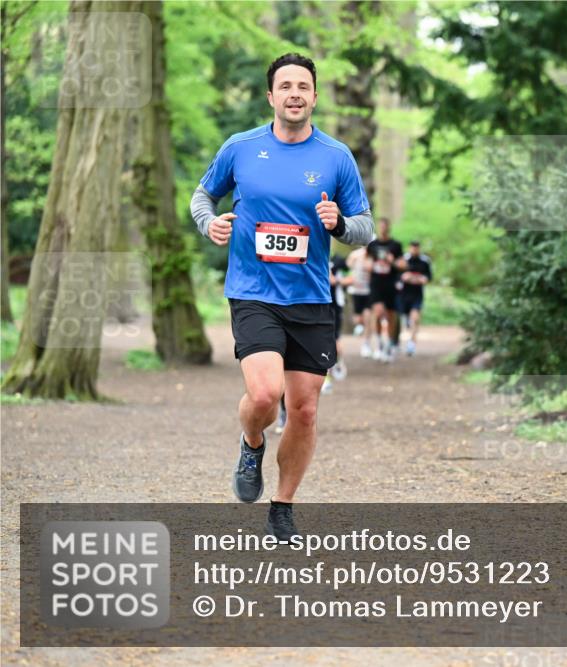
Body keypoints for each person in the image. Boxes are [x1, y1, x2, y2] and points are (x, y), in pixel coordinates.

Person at [189, 53, 374, 539]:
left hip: (310, 297)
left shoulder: (336, 156)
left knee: (305, 410)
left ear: (315, 97)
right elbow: (202, 196)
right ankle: (252, 442)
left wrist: (341, 224)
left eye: (303, 86)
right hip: (253, 292)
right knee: (266, 394)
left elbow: (366, 227)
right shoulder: (241, 148)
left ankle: (283, 505)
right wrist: (209, 223)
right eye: (286, 86)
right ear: (271, 96)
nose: (295, 94)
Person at [366, 218, 406, 363]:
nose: (382, 228)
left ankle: (389, 345)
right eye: (380, 226)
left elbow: (403, 265)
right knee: (377, 312)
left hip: (391, 284)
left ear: (388, 228)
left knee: (390, 315)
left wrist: (391, 260)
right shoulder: (372, 245)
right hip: (376, 283)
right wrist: (370, 266)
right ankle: (379, 345)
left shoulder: (396, 245)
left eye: (385, 226)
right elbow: (366, 262)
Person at [323, 253, 350, 394]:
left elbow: (353, 276)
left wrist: (337, 280)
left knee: (333, 340)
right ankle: (327, 376)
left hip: (334, 307)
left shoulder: (338, 261)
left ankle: (337, 363)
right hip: (316, 306)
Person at [400, 241, 432, 356]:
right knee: (403, 320)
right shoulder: (404, 259)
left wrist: (420, 279)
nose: (415, 250)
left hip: (417, 295)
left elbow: (428, 277)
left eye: (416, 248)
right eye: (413, 248)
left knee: (415, 318)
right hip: (403, 295)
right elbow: (398, 276)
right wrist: (405, 278)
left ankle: (411, 344)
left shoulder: (425, 261)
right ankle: (395, 342)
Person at [346, 246, 373, 357]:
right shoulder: (356, 254)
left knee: (368, 317)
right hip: (356, 290)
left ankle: (366, 344)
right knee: (358, 318)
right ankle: (359, 326)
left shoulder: (373, 255)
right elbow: (348, 265)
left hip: (369, 291)